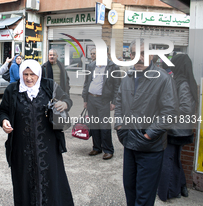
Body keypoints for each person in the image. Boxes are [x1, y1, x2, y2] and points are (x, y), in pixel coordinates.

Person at [0, 59, 74, 206]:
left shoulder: (49, 85)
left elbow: (67, 100)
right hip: (22, 149)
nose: (28, 78)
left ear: (39, 73)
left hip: (48, 147)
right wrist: (4, 121)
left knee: (51, 182)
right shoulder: (12, 90)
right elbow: (3, 111)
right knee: (24, 183)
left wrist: (64, 104)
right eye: (25, 74)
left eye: (32, 74)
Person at [114, 38, 178, 206]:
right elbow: (119, 102)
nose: (138, 57)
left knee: (144, 195)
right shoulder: (128, 76)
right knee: (130, 189)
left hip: (150, 147)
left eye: (143, 53)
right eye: (134, 53)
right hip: (129, 142)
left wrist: (149, 134)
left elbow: (169, 112)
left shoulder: (163, 79)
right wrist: (120, 126)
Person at [158, 54, 197, 201]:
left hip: (175, 130)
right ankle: (181, 187)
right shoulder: (183, 81)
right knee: (175, 160)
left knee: (167, 160)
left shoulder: (183, 83)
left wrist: (167, 114)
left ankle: (168, 192)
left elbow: (185, 109)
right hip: (179, 129)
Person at [81, 48, 120, 160]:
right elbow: (87, 82)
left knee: (104, 126)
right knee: (94, 124)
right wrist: (85, 99)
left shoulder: (113, 67)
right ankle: (97, 148)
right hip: (91, 98)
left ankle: (108, 150)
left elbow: (117, 86)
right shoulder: (91, 66)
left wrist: (114, 102)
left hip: (104, 100)